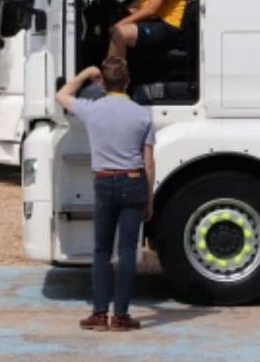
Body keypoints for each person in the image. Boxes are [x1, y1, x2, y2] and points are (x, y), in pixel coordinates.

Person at [56, 57, 156, 331]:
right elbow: (148, 162)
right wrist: (150, 198)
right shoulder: (143, 114)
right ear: (128, 81)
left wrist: (87, 73)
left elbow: (62, 95)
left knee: (101, 251)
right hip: (133, 181)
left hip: (103, 182)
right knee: (126, 252)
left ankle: (99, 313)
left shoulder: (91, 109)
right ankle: (121, 316)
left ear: (103, 83)